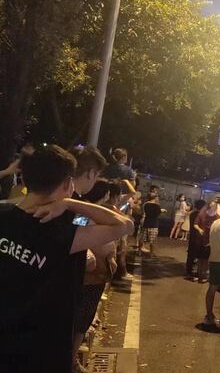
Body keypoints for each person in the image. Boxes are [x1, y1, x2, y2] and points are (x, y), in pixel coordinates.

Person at [0, 146, 132, 373]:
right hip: (42, 352)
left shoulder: (4, 215)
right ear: (66, 184)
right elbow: (123, 225)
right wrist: (70, 203)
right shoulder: (61, 235)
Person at [72, 179, 120, 371]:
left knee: (79, 318)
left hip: (86, 274)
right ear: (104, 194)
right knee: (81, 319)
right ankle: (71, 360)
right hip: (91, 275)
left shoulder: (82, 213)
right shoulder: (94, 215)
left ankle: (71, 358)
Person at [193, 199, 220, 283]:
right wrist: (199, 229)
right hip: (200, 239)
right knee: (199, 258)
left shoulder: (217, 217)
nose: (212, 207)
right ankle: (198, 274)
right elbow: (195, 224)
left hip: (210, 240)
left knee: (206, 259)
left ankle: (204, 275)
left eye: (214, 206)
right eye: (211, 206)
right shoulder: (202, 214)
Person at [185, 199, 207, 280]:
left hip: (192, 238)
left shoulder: (193, 214)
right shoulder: (201, 215)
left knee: (191, 256)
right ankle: (192, 273)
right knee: (197, 256)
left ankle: (189, 272)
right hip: (198, 239)